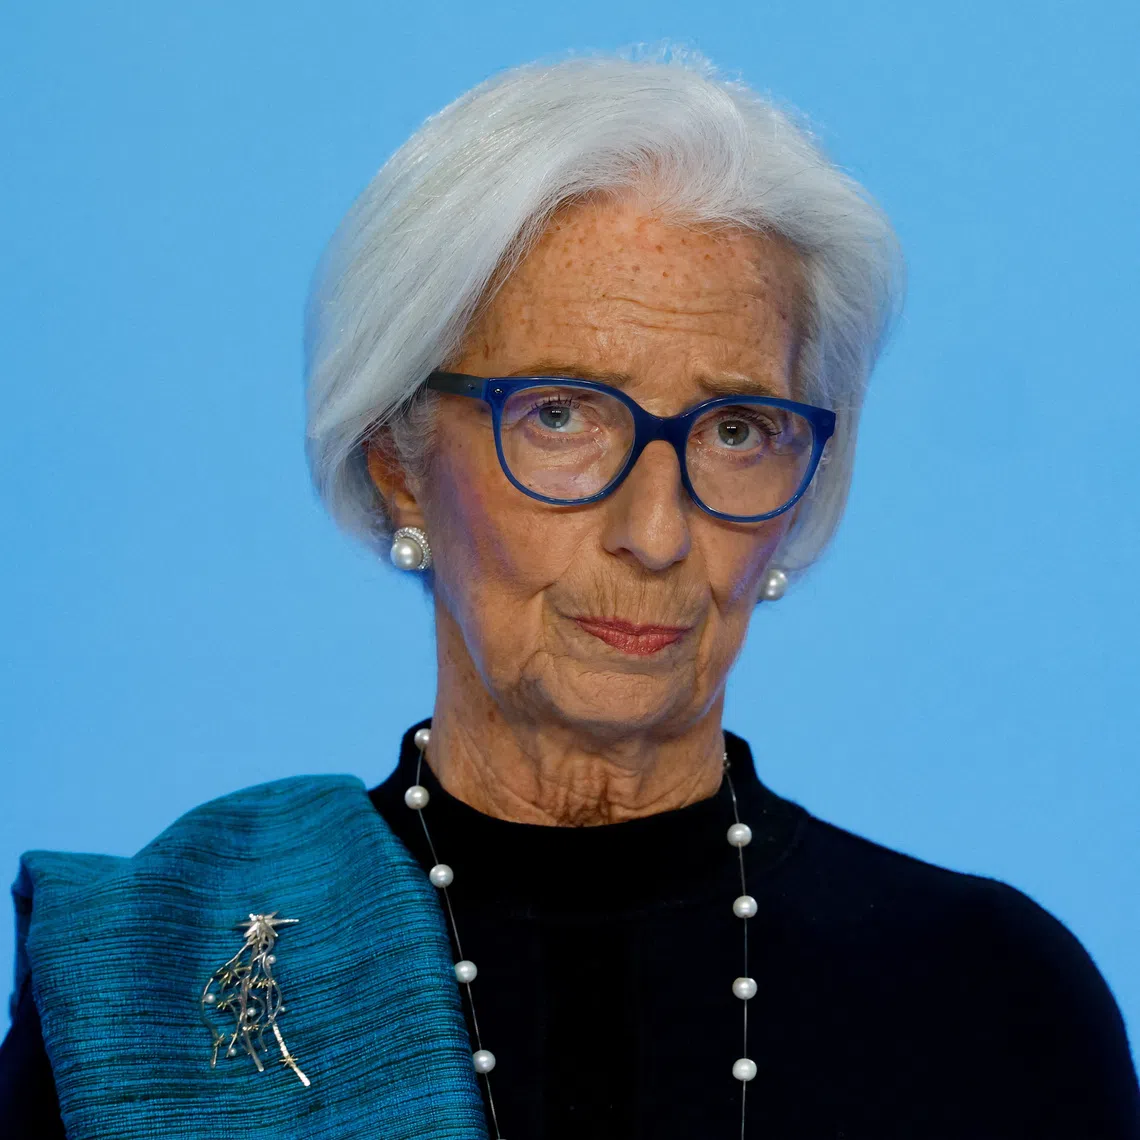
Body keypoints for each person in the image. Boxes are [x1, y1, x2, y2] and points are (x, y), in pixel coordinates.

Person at [2, 51, 1137, 1140]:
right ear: (399, 456)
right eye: (559, 414)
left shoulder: (991, 995)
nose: (654, 534)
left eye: (737, 430)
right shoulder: (157, 984)